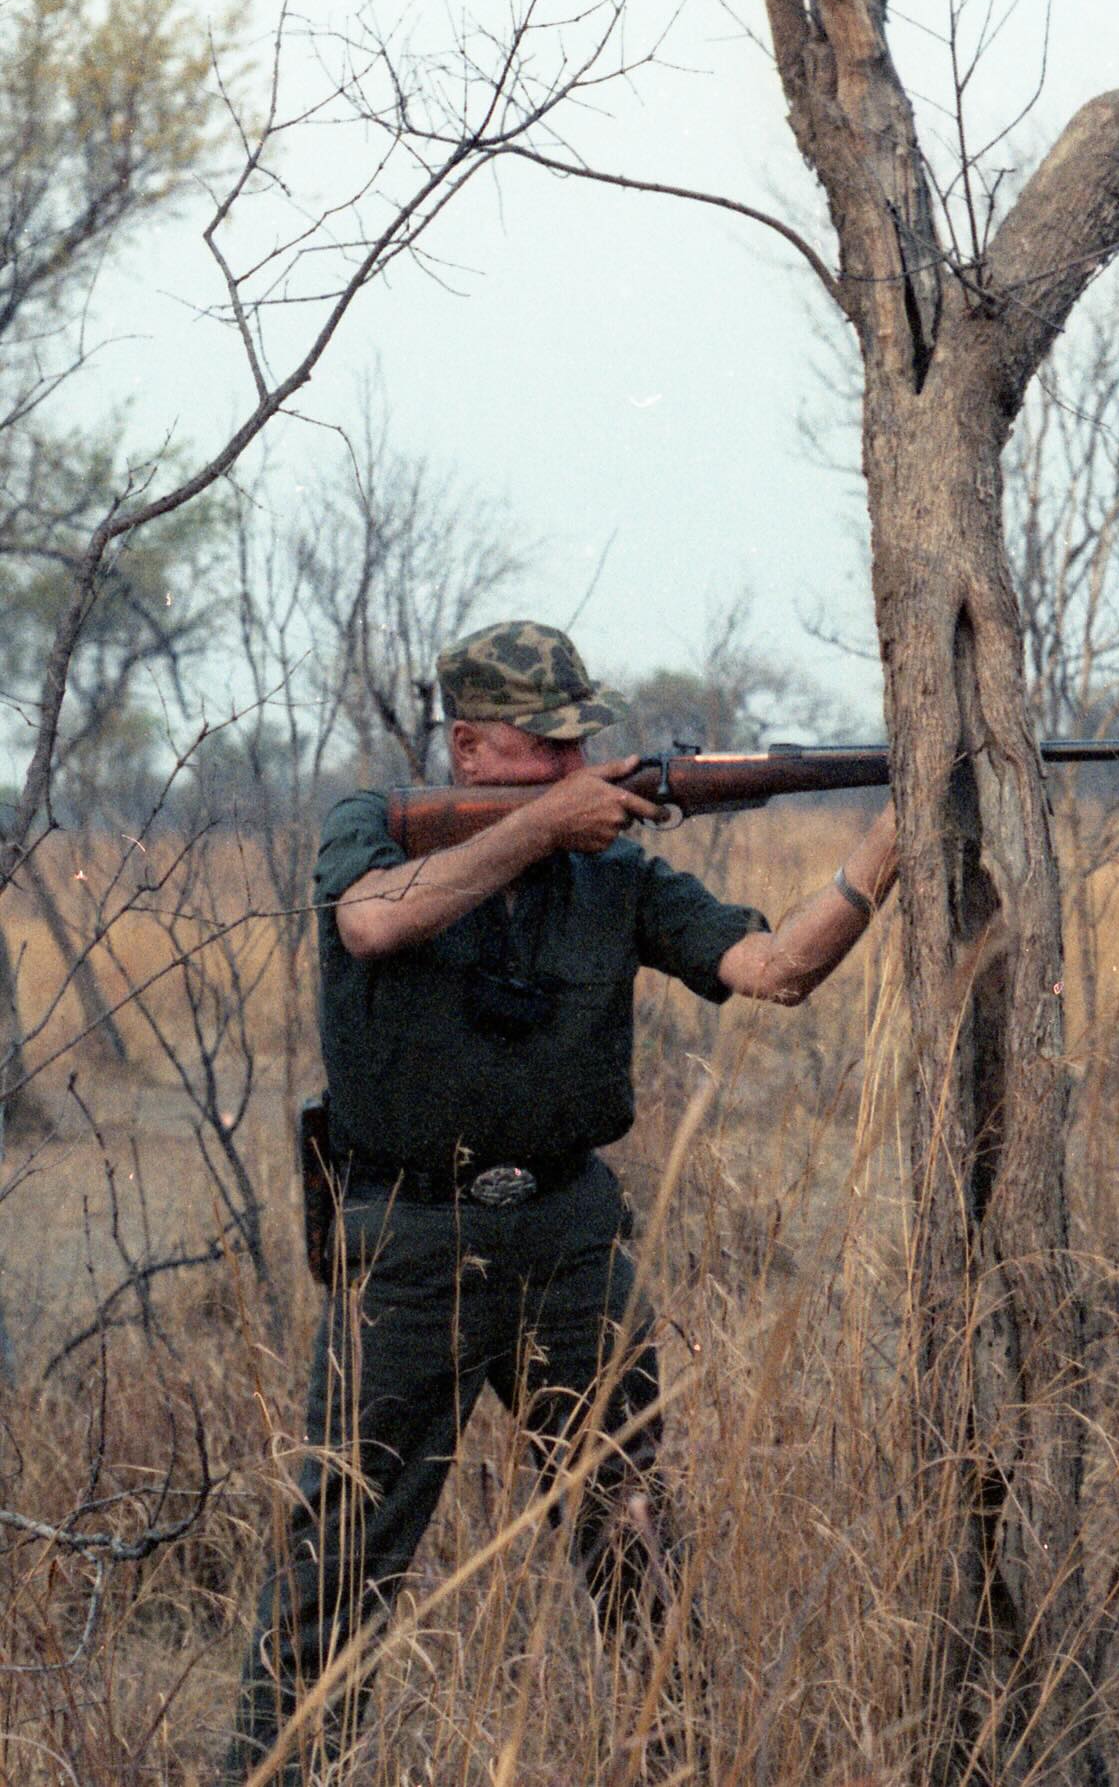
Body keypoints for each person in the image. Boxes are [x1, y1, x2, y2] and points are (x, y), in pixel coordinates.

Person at [225, 620, 897, 1781]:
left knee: (637, 1546)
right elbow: (372, 920)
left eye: (580, 743)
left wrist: (891, 842)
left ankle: (678, 1764)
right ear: (469, 748)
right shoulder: (373, 826)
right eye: (544, 746)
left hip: (570, 1246)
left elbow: (779, 968)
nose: (572, 766)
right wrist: (540, 826)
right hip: (410, 1248)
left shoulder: (616, 875)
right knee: (336, 1565)